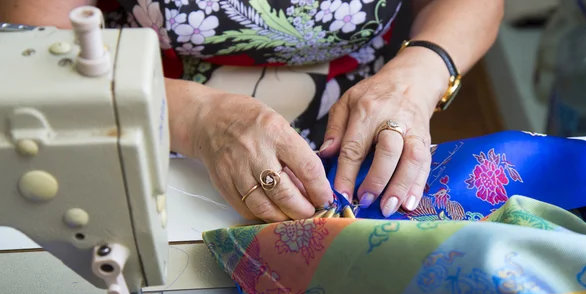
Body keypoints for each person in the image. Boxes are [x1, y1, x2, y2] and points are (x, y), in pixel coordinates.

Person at [1, 0, 504, 222]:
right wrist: (193, 117)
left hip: (352, 139)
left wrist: (420, 70)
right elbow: (36, 51)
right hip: (137, 123)